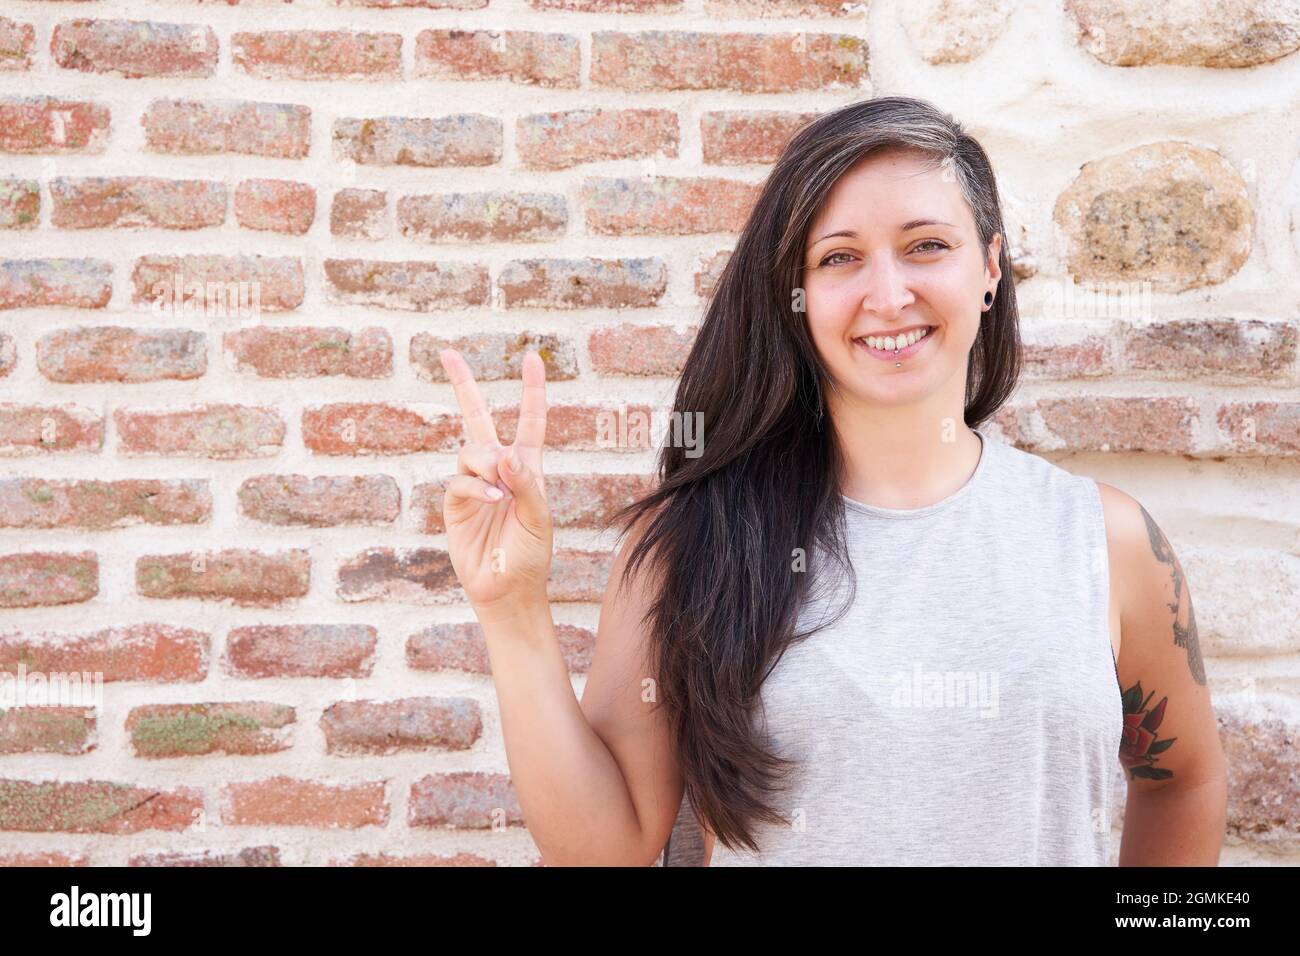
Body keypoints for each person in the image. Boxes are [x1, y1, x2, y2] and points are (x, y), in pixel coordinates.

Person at [436, 96, 1227, 867]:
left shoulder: (1106, 541)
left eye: (926, 246)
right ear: (798, 297)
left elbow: (1182, 779)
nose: (888, 296)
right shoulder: (690, 543)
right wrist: (510, 612)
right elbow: (604, 849)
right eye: (839, 257)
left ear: (989, 267)